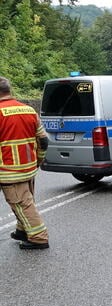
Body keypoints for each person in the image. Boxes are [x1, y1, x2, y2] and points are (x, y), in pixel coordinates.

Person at [0, 76, 50, 250]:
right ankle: (22, 230)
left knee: (21, 203)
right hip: (28, 167)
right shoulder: (29, 110)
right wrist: (39, 159)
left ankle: (38, 237)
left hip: (8, 169)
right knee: (23, 201)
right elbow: (43, 140)